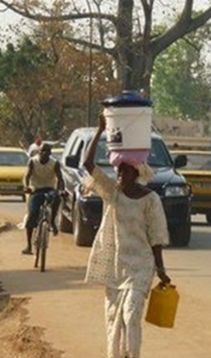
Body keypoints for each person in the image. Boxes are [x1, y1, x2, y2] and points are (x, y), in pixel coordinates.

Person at [83, 114, 171, 358]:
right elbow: (88, 165)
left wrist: (160, 269)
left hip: (141, 266)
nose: (119, 174)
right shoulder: (113, 194)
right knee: (113, 317)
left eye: (124, 171)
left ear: (136, 172)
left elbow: (156, 237)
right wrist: (100, 131)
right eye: (118, 170)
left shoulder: (150, 200)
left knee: (131, 314)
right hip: (116, 265)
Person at [22, 144, 65, 254]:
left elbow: (60, 178)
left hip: (49, 189)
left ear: (50, 153)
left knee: (57, 198)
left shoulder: (54, 163)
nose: (45, 153)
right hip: (36, 190)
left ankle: (52, 222)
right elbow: (27, 176)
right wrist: (27, 187)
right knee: (32, 216)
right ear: (39, 152)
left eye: (47, 151)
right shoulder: (33, 161)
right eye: (42, 151)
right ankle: (28, 245)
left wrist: (61, 190)